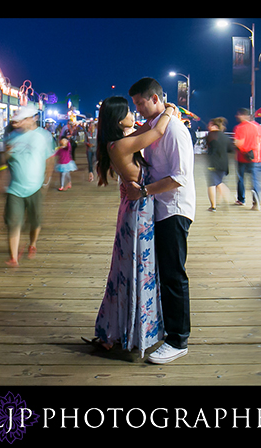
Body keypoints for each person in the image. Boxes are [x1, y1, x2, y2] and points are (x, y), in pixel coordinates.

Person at [83, 96, 176, 355]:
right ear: (118, 118)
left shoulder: (118, 142)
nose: (133, 112)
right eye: (128, 110)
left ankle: (119, 329)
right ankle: (130, 332)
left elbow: (147, 129)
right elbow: (157, 130)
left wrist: (157, 116)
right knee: (137, 269)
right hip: (137, 211)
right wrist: (169, 109)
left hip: (134, 208)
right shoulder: (121, 145)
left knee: (127, 271)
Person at [127, 78, 196, 364]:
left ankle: (178, 340)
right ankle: (168, 331)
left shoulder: (175, 131)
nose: (138, 109)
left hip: (174, 210)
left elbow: (180, 177)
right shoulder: (158, 128)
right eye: (135, 105)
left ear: (154, 98)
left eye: (141, 103)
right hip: (160, 208)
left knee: (173, 275)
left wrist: (144, 191)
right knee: (164, 274)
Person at [3, 104, 55, 267]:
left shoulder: (43, 136)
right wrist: (6, 154)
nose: (19, 122)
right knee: (14, 222)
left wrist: (46, 181)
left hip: (35, 187)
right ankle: (13, 257)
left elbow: (50, 159)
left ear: (33, 119)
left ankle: (32, 243)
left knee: (35, 221)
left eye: (23, 119)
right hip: (15, 189)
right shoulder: (10, 137)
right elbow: (3, 159)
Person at [233, 108, 261, 210]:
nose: (237, 117)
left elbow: (239, 143)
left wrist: (238, 147)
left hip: (242, 158)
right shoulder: (259, 127)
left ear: (244, 115)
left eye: (239, 115)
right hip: (257, 157)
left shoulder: (240, 127)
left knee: (241, 179)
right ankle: (256, 203)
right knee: (255, 181)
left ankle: (241, 199)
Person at [205, 117, 232, 211]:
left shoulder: (211, 135)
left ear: (214, 126)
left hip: (213, 163)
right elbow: (230, 149)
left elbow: (208, 146)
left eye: (210, 125)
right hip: (224, 164)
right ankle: (223, 200)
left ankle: (213, 206)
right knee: (219, 182)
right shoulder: (225, 137)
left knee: (212, 184)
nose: (208, 126)